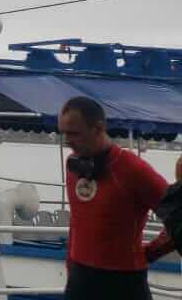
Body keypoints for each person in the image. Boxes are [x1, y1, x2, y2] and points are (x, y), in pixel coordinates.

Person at [58, 96, 175, 299]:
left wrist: (150, 253)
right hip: (80, 279)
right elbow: (77, 222)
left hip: (123, 282)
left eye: (74, 133)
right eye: (64, 133)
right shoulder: (73, 165)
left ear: (98, 128)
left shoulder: (132, 169)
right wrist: (71, 268)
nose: (67, 140)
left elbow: (179, 216)